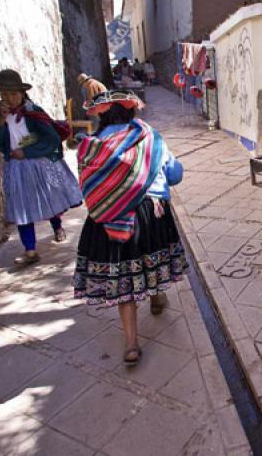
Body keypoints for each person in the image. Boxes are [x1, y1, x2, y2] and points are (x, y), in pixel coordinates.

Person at [72, 90, 185, 366]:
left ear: (101, 116)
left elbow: (89, 185)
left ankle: (132, 344)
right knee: (151, 259)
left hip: (109, 217)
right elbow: (175, 174)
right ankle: (157, 298)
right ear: (131, 112)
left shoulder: (91, 147)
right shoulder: (151, 138)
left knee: (124, 276)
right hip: (149, 213)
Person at [0, 69, 84, 266]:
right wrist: (1, 120)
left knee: (50, 199)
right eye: (4, 94)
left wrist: (27, 152)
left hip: (40, 164)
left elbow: (52, 138)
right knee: (22, 208)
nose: (9, 98)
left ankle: (57, 226)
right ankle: (30, 250)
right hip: (16, 168)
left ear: (22, 93)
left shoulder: (33, 112)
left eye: (13, 94)